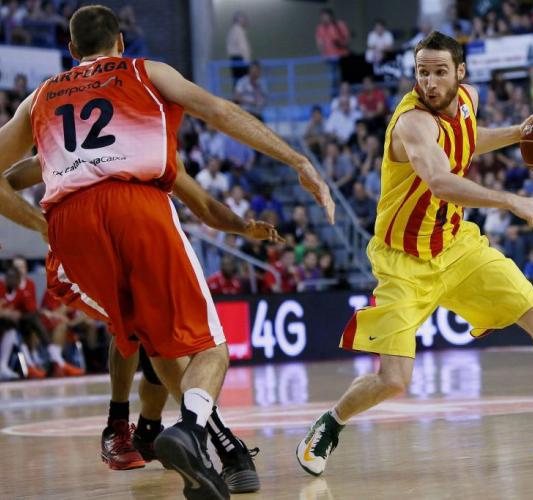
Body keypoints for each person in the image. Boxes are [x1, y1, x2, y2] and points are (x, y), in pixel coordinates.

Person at [0, 6, 334, 500]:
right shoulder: (145, 76)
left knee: (146, 336)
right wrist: (297, 159)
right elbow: (219, 112)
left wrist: (42, 226)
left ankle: (177, 438)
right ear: (121, 43)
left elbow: (11, 176)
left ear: (71, 51)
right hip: (136, 207)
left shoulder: (42, 98)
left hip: (71, 227)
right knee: (205, 345)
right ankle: (188, 432)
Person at [296, 31, 533, 477]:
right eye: (422, 72)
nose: (430, 82)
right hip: (403, 262)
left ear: (460, 72)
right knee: (393, 380)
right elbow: (440, 181)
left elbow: (469, 139)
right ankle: (331, 422)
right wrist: (510, 200)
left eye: (439, 72)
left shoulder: (468, 99)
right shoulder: (412, 123)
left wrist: (518, 133)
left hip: (456, 244)